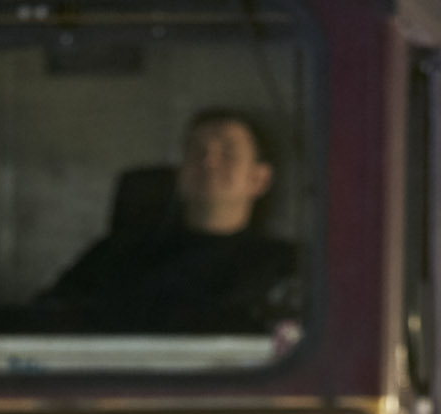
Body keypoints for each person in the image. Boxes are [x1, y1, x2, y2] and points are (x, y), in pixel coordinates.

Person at [39, 109, 299, 334]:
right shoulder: (118, 254)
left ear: (259, 179)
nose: (208, 162)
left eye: (227, 154)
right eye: (196, 151)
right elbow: (49, 316)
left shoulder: (285, 267)